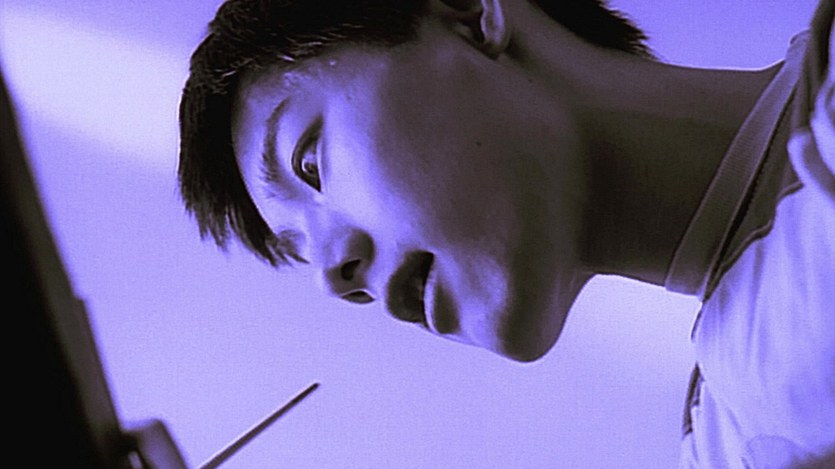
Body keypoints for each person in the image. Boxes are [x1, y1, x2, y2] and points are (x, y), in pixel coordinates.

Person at [177, 0, 835, 466]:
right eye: (300, 251)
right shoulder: (719, 438)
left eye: (310, 165)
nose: (333, 276)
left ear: (469, 16)